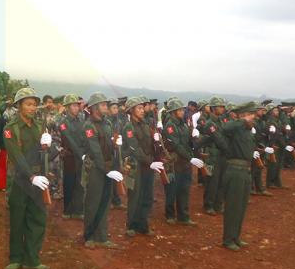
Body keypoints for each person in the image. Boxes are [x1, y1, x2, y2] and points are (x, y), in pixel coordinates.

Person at [3, 87, 55, 269]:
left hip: (38, 178)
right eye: (28, 104)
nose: (33, 108)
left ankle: (32, 258)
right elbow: (16, 156)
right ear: (19, 106)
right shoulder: (11, 128)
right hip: (19, 179)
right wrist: (30, 176)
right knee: (17, 219)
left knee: (37, 218)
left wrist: (48, 146)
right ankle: (16, 258)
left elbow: (44, 154)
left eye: (34, 104)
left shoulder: (40, 126)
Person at [81, 92, 123, 248]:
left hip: (108, 167)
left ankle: (102, 236)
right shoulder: (88, 126)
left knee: (105, 202)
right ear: (94, 108)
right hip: (95, 169)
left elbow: (108, 147)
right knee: (93, 202)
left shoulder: (108, 124)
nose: (106, 107)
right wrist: (107, 169)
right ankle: (89, 236)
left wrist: (115, 144)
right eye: (103, 104)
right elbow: (95, 151)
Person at [122, 97, 164, 237]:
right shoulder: (129, 127)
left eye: (142, 108)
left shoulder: (145, 125)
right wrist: (149, 161)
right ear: (131, 111)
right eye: (139, 108)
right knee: (135, 195)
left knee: (147, 195)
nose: (142, 110)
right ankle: (131, 225)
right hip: (135, 165)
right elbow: (134, 148)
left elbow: (149, 145)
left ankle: (143, 224)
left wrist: (156, 142)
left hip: (147, 165)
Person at [219, 102, 259, 251]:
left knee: (241, 207)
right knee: (233, 207)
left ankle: (236, 236)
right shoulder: (236, 127)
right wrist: (242, 120)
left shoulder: (248, 131)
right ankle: (228, 239)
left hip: (245, 171)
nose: (254, 117)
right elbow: (224, 128)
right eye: (251, 114)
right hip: (235, 171)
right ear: (243, 115)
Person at [163, 98, 204, 226]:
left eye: (182, 109)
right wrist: (190, 157)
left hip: (185, 162)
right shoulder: (170, 126)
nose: (182, 112)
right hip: (175, 162)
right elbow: (176, 145)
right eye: (180, 110)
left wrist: (196, 139)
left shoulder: (184, 124)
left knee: (184, 190)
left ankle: (183, 216)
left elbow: (187, 143)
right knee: (172, 190)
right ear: (173, 111)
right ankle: (170, 215)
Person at [59, 94, 86, 219]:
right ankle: (67, 210)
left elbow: (84, 138)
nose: (76, 108)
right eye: (73, 105)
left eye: (77, 105)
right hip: (70, 157)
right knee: (69, 182)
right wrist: (82, 154)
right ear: (67, 107)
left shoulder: (81, 119)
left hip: (81, 156)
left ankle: (78, 210)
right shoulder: (64, 123)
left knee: (80, 183)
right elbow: (70, 141)